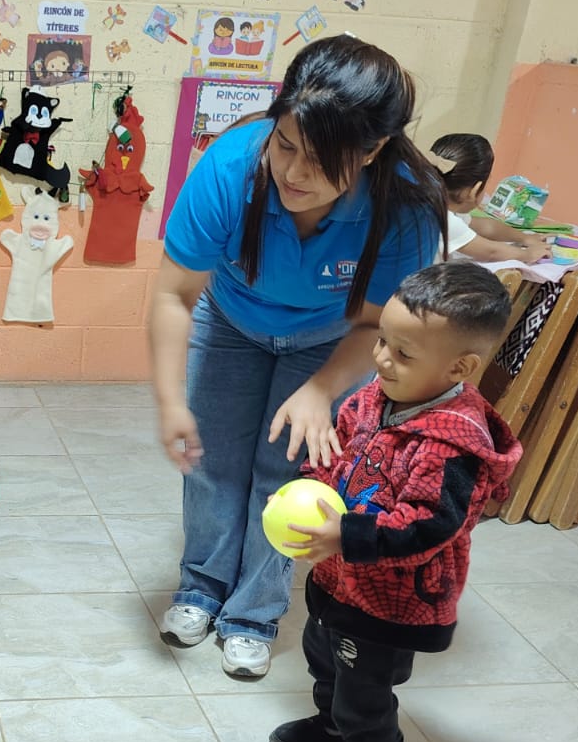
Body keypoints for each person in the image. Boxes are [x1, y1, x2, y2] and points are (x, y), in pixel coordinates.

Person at [149, 34, 446, 680]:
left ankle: (252, 614)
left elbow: (375, 323)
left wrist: (322, 388)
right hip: (230, 321)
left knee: (284, 475)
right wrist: (171, 400)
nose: (293, 173)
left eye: (320, 161)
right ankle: (200, 588)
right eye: (284, 144)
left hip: (331, 339)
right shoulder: (231, 167)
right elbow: (175, 295)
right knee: (210, 462)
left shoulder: (405, 207)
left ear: (371, 151)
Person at [270, 262, 522, 742]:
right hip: (340, 578)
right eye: (382, 340)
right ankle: (333, 728)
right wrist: (307, 487)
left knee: (363, 693)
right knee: (321, 654)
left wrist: (348, 535)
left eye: (403, 353)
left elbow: (430, 526)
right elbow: (334, 454)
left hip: (391, 601)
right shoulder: (373, 397)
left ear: (460, 367)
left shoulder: (454, 444)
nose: (382, 359)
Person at [430, 133, 547, 265]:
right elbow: (491, 252)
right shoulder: (443, 220)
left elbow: (487, 227)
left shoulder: (437, 205)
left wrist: (525, 238)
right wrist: (528, 254)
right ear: (474, 191)